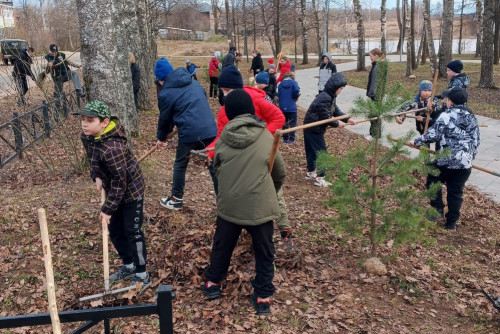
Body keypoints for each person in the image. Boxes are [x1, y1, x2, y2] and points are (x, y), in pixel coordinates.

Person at [201, 89, 286, 316]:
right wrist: (270, 192)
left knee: (222, 245)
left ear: (228, 113)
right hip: (260, 205)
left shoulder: (221, 141)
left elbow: (217, 169)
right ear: (251, 110)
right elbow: (279, 173)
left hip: (230, 205)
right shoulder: (267, 137)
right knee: (265, 251)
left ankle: (213, 284)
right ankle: (263, 296)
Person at [205, 65, 295, 248]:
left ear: (238, 88)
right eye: (222, 91)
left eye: (228, 90)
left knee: (274, 192)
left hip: (263, 153)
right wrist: (210, 151)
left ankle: (285, 231)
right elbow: (222, 136)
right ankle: (246, 229)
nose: (225, 94)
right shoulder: (224, 111)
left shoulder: (255, 99)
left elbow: (278, 118)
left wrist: (262, 139)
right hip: (240, 158)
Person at [74, 100, 150, 290]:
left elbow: (120, 182)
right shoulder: (88, 137)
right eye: (83, 119)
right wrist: (97, 175)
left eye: (90, 120)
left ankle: (142, 273)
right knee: (115, 229)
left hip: (131, 190)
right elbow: (92, 158)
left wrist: (107, 208)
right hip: (114, 188)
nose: (84, 124)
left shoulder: (112, 148)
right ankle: (129, 264)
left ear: (104, 122)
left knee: (132, 231)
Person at [412, 86, 480, 231]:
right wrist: (469, 157)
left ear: (450, 101)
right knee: (455, 191)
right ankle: (451, 224)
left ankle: (437, 211)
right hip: (464, 164)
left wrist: (417, 141)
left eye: (447, 99)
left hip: (446, 161)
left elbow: (433, 134)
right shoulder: (472, 117)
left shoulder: (447, 115)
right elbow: (476, 140)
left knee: (432, 179)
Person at [154, 58, 218, 211]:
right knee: (214, 166)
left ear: (161, 79)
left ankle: (176, 199)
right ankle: (224, 201)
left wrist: (161, 138)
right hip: (210, 128)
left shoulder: (166, 93)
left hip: (190, 131)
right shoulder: (193, 82)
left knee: (180, 164)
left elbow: (165, 120)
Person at [304, 73, 356, 187]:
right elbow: (326, 118)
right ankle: (320, 177)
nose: (341, 91)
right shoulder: (325, 98)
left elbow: (336, 112)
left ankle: (310, 172)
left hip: (311, 128)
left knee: (312, 152)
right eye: (341, 89)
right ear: (335, 87)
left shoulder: (330, 97)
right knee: (322, 153)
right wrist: (337, 123)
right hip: (313, 129)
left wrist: (348, 119)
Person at [366, 48, 385, 140]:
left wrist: (370, 95)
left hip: (375, 96)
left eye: (371, 56)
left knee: (374, 115)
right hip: (377, 95)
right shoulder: (378, 65)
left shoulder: (377, 67)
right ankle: (376, 135)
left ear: (376, 56)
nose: (370, 58)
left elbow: (374, 82)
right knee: (375, 115)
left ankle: (374, 135)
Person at [277, 72, 300, 144]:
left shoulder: (280, 84)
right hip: (291, 106)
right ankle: (292, 139)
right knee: (293, 123)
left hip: (282, 106)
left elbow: (278, 94)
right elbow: (296, 90)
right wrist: (295, 97)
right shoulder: (294, 83)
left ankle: (285, 138)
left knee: (285, 122)